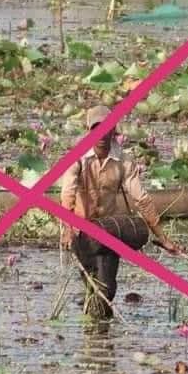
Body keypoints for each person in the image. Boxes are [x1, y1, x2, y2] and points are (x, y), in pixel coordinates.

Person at [60, 105, 179, 319]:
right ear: (89, 131)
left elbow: (141, 199)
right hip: (81, 232)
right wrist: (68, 230)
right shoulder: (77, 159)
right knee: (94, 284)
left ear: (113, 132)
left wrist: (162, 237)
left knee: (107, 288)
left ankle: (97, 330)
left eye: (107, 129)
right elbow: (67, 194)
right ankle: (96, 329)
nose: (102, 135)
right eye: (97, 129)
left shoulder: (123, 161)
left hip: (109, 231)